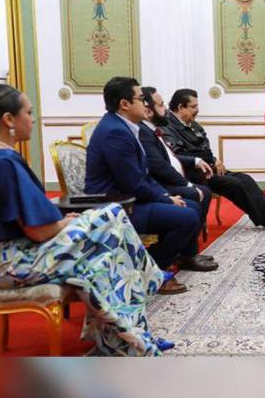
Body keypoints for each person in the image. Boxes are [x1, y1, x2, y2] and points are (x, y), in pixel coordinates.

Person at [0, 85, 167, 355]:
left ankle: (129, 339)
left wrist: (68, 221)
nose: (33, 119)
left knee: (101, 260)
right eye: (29, 112)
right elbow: (39, 231)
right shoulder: (2, 161)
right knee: (111, 215)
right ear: (8, 120)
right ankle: (148, 284)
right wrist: (66, 223)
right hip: (6, 263)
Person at [85, 77, 218, 296]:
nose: (145, 104)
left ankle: (162, 263)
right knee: (188, 216)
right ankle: (151, 272)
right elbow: (133, 183)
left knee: (191, 207)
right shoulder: (116, 132)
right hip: (117, 207)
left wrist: (165, 196)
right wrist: (166, 199)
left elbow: (142, 176)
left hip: (130, 199)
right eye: (140, 99)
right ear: (125, 104)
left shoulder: (123, 126)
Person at [162, 89, 265, 233]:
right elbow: (176, 155)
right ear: (180, 107)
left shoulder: (194, 125)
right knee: (235, 184)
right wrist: (198, 159)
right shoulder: (167, 126)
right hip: (193, 174)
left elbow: (205, 150)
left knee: (245, 178)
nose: (197, 110)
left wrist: (213, 159)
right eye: (193, 107)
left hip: (209, 169)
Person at [139, 86, 214, 234]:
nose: (166, 109)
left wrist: (198, 161)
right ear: (148, 110)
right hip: (160, 183)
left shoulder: (152, 129)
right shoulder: (143, 132)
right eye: (161, 105)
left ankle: (192, 239)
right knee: (195, 195)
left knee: (206, 190)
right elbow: (158, 166)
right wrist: (187, 184)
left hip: (178, 174)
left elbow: (170, 157)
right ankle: (187, 242)